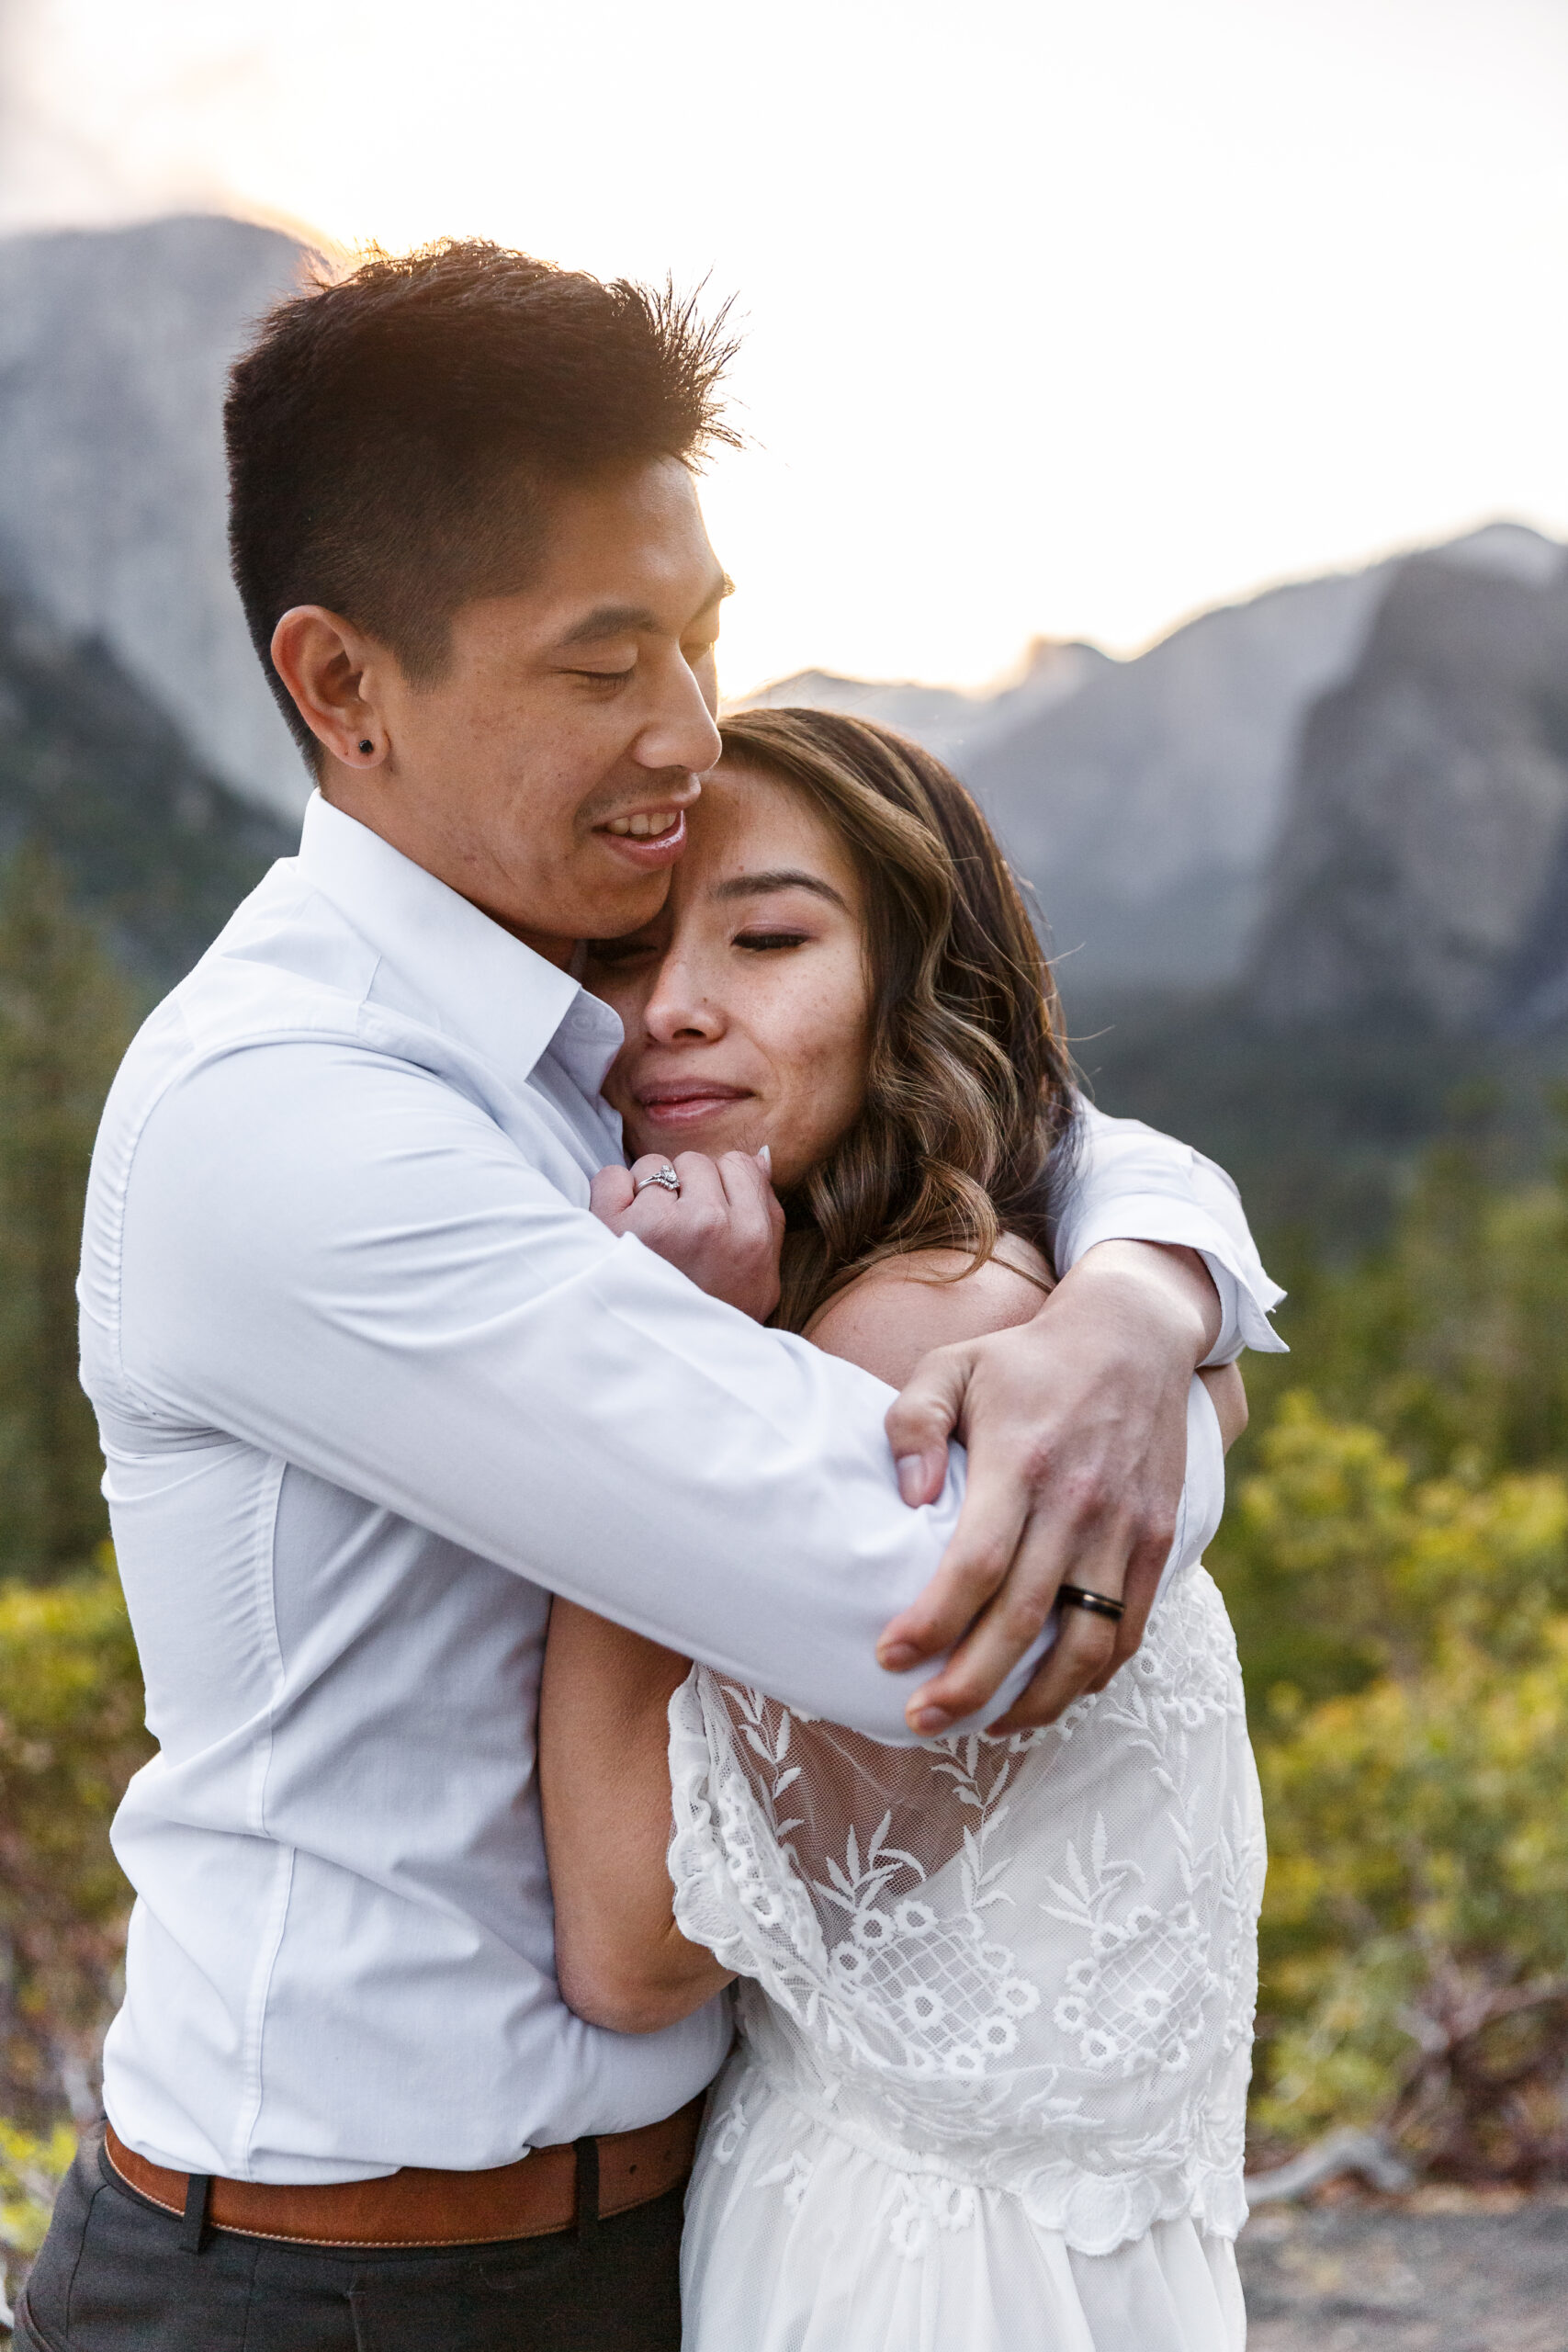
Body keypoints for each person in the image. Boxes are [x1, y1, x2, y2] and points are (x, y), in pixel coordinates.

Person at [17, 243, 1279, 2352]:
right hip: (327, 2285)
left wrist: (1144, 1302)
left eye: (699, 637)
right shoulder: (295, 1121)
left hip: (661, 2234)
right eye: (605, 661)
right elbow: (931, 1577)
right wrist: (1136, 1402)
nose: (685, 732)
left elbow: (1021, 1109)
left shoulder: (595, 1007)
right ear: (343, 685)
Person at [540, 707, 1266, 2351]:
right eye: (627, 949)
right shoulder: (1005, 1283)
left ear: (911, 983)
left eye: (771, 936)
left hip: (909, 2272)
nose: (674, 1009)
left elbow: (637, 1946)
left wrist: (654, 1373)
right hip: (1043, 2249)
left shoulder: (905, 1333)